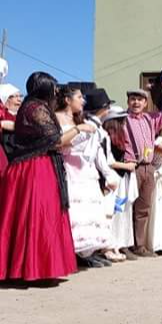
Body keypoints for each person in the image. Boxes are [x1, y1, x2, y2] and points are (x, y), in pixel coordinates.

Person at [0, 72, 82, 281]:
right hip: (34, 167)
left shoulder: (35, 107)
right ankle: (32, 270)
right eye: (52, 87)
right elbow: (55, 141)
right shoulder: (35, 108)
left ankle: (40, 268)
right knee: (38, 216)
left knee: (41, 216)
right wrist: (78, 129)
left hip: (40, 165)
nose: (56, 91)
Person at [55, 85, 120, 267]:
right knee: (76, 212)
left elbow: (96, 149)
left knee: (90, 211)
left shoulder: (79, 119)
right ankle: (74, 252)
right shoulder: (58, 117)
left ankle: (87, 252)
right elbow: (64, 144)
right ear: (67, 100)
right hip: (71, 167)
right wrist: (85, 129)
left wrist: (108, 174)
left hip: (85, 169)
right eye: (78, 97)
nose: (82, 101)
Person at [124, 82, 162, 257]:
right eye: (133, 99)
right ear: (128, 102)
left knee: (143, 208)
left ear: (145, 103)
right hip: (131, 168)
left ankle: (139, 246)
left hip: (149, 168)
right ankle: (125, 245)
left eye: (140, 99)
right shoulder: (122, 119)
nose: (136, 103)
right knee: (126, 206)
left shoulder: (150, 119)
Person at [102, 105, 138, 261]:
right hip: (113, 179)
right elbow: (108, 161)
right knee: (113, 213)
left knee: (123, 212)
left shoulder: (120, 138)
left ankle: (119, 244)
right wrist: (127, 165)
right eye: (121, 120)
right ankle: (109, 245)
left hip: (123, 179)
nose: (124, 123)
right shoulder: (106, 137)